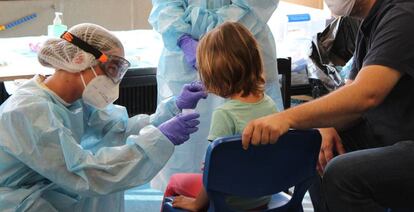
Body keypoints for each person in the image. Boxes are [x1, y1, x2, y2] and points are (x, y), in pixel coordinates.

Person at [0, 23, 207, 212]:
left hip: (44, 185)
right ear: (79, 59)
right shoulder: (28, 111)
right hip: (13, 198)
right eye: (111, 68)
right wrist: (160, 138)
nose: (113, 80)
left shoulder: (76, 99)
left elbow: (119, 129)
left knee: (110, 185)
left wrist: (172, 109)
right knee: (103, 179)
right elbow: (86, 173)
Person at [241, 0, 414, 211]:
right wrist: (326, 125)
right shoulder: (370, 25)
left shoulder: (403, 15)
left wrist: (286, 118)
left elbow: (366, 94)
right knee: (316, 150)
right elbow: (349, 97)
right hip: (390, 139)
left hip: (406, 143)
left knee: (342, 174)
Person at [148, 0, 284, 191]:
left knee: (188, 176)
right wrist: (182, 37)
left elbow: (254, 7)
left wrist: (206, 34)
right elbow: (165, 6)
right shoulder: (267, 105)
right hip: (257, 195)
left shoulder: (223, 114)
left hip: (243, 34)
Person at [162, 22, 279, 211]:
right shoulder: (269, 104)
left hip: (232, 202)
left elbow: (214, 174)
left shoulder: (224, 115)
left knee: (175, 181)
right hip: (262, 197)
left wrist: (197, 204)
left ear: (213, 76)